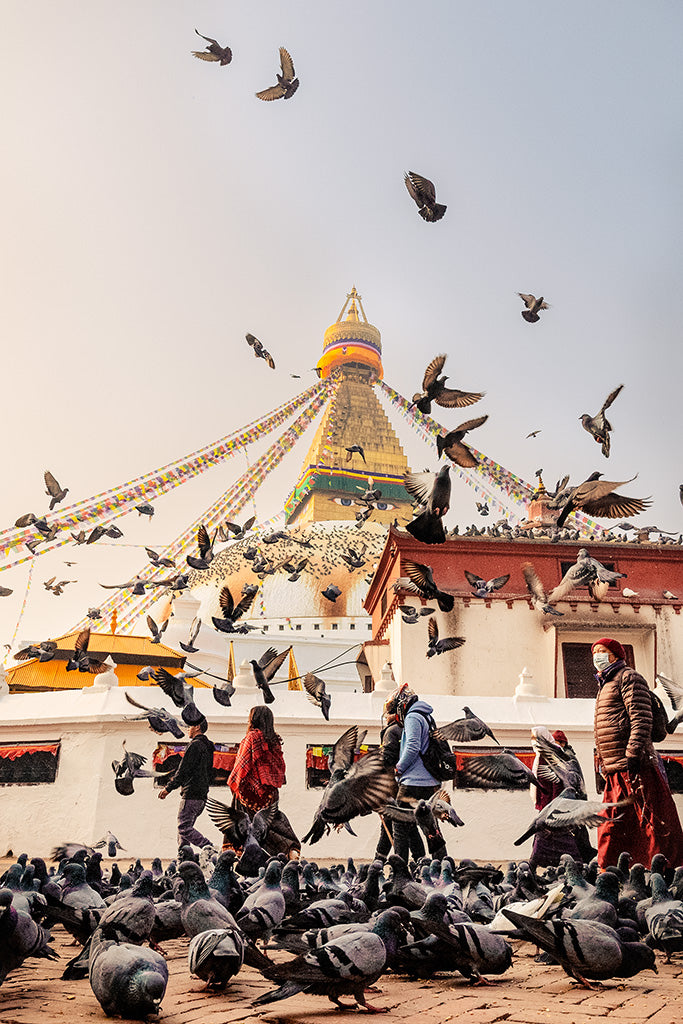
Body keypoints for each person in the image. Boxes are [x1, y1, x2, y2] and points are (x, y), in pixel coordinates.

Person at [593, 636, 683, 869]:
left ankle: (666, 869)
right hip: (615, 766)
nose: (597, 657)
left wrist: (633, 754)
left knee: (652, 820)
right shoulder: (605, 684)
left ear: (616, 655)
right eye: (594, 653)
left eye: (602, 651)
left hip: (635, 764)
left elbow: (641, 719)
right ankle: (611, 869)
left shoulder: (628, 678)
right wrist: (604, 763)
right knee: (613, 822)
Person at [227, 705, 300, 860]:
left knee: (241, 821)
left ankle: (239, 855)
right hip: (270, 793)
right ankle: (289, 849)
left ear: (253, 719)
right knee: (271, 824)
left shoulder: (252, 738)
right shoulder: (275, 740)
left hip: (250, 793)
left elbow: (242, 766)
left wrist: (235, 787)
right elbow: (279, 767)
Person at [390, 684, 446, 864]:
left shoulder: (413, 717)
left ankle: (400, 870)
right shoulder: (427, 716)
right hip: (430, 782)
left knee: (399, 826)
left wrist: (399, 767)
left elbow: (412, 746)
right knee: (430, 827)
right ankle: (443, 865)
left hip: (413, 782)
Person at [158, 704, 216, 855]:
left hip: (191, 794)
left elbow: (183, 771)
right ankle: (184, 859)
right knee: (184, 830)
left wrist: (168, 788)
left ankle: (208, 847)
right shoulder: (209, 747)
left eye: (190, 726)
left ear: (197, 727)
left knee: (183, 828)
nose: (188, 729)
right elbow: (211, 773)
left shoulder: (195, 746)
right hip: (202, 796)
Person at [528, 726, 582, 871]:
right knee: (545, 835)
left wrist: (554, 804)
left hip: (554, 804)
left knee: (554, 835)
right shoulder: (542, 755)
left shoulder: (553, 755)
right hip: (547, 803)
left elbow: (559, 782)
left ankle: (574, 864)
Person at [372, 701, 402, 863]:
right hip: (404, 786)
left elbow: (386, 760)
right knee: (391, 828)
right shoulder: (405, 730)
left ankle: (381, 865)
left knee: (392, 828)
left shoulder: (391, 732)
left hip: (392, 787)